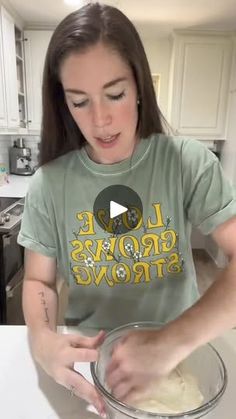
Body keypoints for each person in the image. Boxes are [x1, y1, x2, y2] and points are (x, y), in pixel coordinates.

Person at [18, 2, 236, 416]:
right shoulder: (49, 185)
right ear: (63, 103)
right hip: (91, 367)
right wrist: (42, 340)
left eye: (115, 94)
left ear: (139, 88)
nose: (101, 120)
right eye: (79, 101)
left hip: (180, 360)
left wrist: (169, 343)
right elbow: (38, 282)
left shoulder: (187, 162)